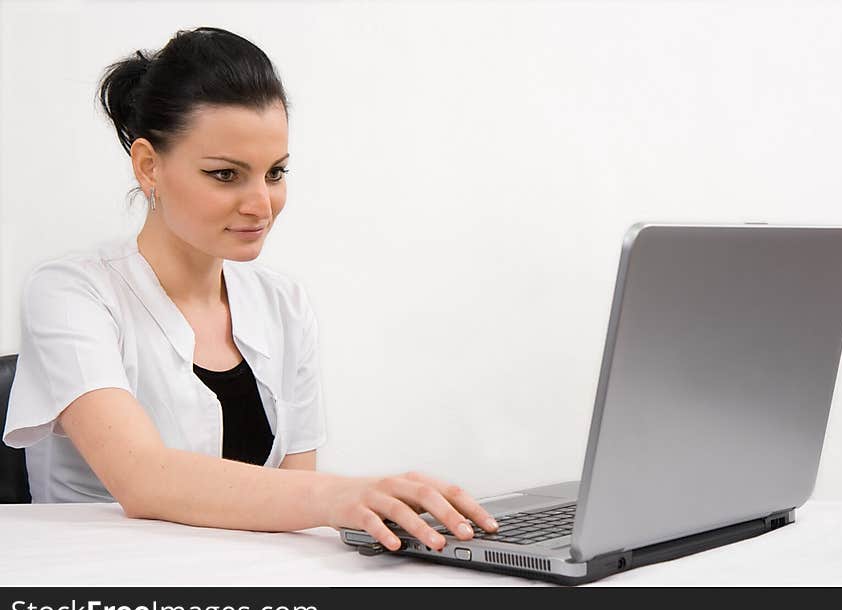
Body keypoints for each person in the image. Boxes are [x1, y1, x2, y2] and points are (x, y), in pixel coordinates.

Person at [1, 26, 497, 552]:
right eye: (226, 175)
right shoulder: (70, 292)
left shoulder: (282, 303)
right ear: (149, 166)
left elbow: (294, 497)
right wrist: (343, 496)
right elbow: (143, 479)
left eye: (275, 172)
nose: (262, 204)